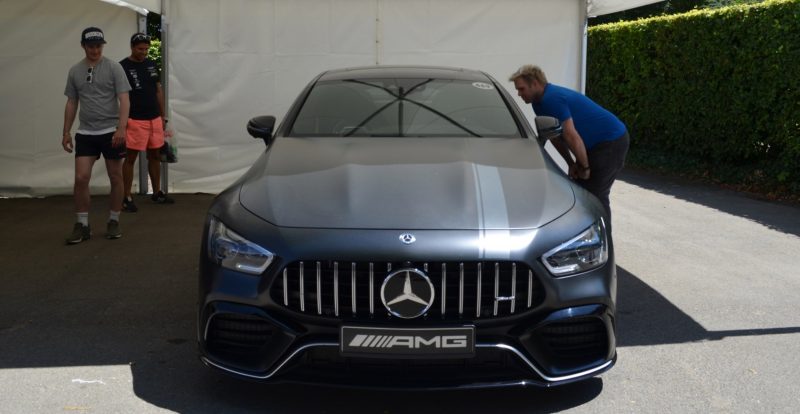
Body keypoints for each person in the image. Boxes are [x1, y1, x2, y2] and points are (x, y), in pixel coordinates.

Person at [510, 64, 629, 230]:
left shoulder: (552, 98)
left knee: (594, 195)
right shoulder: (538, 103)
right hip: (595, 144)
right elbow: (555, 136)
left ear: (535, 83)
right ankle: (585, 237)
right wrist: (572, 164)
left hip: (611, 141)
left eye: (521, 89)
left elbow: (571, 136)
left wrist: (585, 167)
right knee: (581, 192)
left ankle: (603, 241)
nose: (519, 94)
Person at [62, 27, 131, 244]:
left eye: (98, 46)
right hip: (86, 132)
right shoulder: (75, 71)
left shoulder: (114, 68)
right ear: (83, 46)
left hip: (111, 131)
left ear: (103, 45)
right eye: (91, 46)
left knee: (115, 176)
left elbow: (125, 99)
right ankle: (82, 224)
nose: (95, 50)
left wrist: (121, 128)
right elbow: (72, 102)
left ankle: (113, 219)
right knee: (81, 178)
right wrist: (66, 131)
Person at [120, 32, 174, 212]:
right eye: (140, 49)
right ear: (132, 47)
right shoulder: (122, 67)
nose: (143, 52)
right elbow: (119, 96)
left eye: (146, 49)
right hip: (135, 119)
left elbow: (158, 90)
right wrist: (123, 120)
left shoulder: (151, 64)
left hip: (154, 119)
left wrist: (162, 115)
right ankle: (126, 196)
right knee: (130, 158)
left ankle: (157, 192)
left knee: (155, 156)